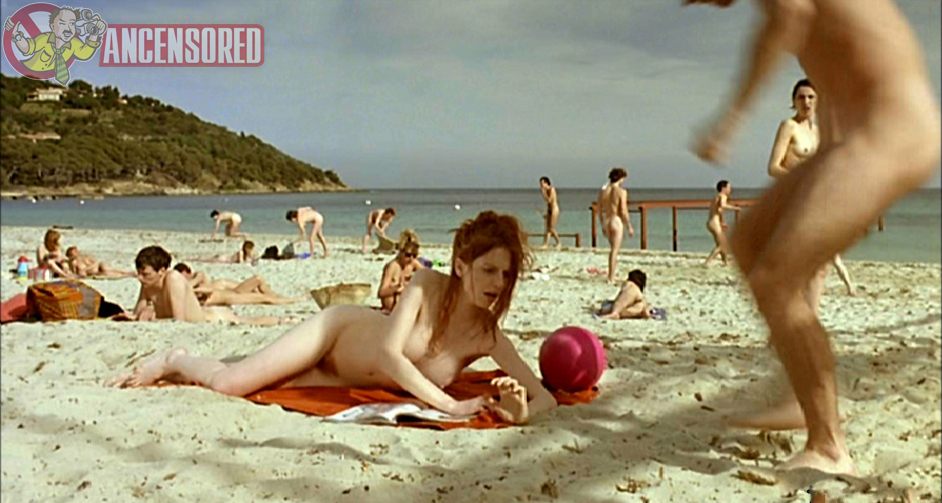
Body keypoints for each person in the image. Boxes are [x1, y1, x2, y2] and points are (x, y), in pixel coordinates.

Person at [686, 0, 940, 475]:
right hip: (858, 141)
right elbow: (842, 81)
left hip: (892, 132)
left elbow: (788, 17)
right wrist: (831, 184)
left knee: (776, 280)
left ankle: (828, 446)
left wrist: (729, 120)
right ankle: (798, 396)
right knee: (748, 240)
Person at [109, 211, 558, 424]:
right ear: (460, 265)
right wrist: (450, 405)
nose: (498, 282)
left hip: (342, 378)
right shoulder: (425, 284)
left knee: (253, 382)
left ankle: (187, 364)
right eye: (488, 269)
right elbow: (389, 354)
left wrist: (519, 415)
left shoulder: (487, 336)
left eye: (506, 273)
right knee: (230, 384)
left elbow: (547, 400)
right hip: (334, 333)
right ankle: (174, 358)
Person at [767, 79, 855, 298]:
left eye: (810, 97)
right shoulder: (789, 126)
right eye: (801, 97)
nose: (806, 102)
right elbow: (773, 167)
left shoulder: (818, 131)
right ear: (794, 101)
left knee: (821, 264)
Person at [129, 246, 284, 325]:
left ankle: (284, 320)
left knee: (248, 321)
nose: (140, 278)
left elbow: (178, 320)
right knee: (245, 319)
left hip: (211, 318)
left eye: (146, 274)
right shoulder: (148, 283)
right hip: (206, 313)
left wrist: (151, 318)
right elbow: (136, 314)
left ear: (162, 270)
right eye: (139, 273)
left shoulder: (173, 278)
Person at [173, 263, 301, 306]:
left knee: (261, 288)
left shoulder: (196, 279)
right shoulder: (192, 292)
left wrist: (189, 286)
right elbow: (207, 293)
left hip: (231, 293)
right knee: (265, 298)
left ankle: (283, 298)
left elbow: (201, 278)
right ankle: (292, 300)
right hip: (231, 296)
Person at [596, 167, 635, 283]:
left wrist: (602, 223)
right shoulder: (621, 192)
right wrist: (629, 225)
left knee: (612, 249)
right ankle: (611, 277)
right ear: (621, 178)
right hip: (616, 220)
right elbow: (623, 210)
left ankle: (611, 274)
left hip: (607, 220)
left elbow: (599, 209)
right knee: (614, 250)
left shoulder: (603, 191)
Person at [378, 238, 425, 313]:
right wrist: (396, 289)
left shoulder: (412, 263)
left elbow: (427, 274)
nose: (411, 258)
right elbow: (381, 292)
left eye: (414, 256)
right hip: (391, 308)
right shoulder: (393, 266)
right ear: (400, 252)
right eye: (407, 255)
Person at [704, 180, 741, 266]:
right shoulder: (723, 196)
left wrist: (722, 222)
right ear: (723, 188)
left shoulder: (716, 197)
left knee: (720, 244)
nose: (730, 189)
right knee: (722, 244)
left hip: (711, 222)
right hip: (714, 223)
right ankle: (707, 262)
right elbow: (723, 205)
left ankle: (725, 262)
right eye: (729, 187)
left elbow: (719, 211)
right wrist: (735, 208)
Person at [65, 246, 135, 278]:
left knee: (110, 270)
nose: (76, 253)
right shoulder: (73, 263)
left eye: (76, 251)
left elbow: (96, 262)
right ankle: (128, 274)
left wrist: (86, 269)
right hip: (96, 272)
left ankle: (128, 273)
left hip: (98, 266)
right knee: (108, 273)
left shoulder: (85, 257)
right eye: (74, 253)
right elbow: (75, 273)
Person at [539, 177, 561, 249]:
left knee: (552, 228)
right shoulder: (546, 191)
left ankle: (559, 242)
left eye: (542, 184)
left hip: (554, 210)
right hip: (549, 210)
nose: (541, 185)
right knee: (548, 228)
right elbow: (548, 203)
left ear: (546, 183)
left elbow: (549, 200)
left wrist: (543, 193)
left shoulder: (552, 189)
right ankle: (546, 244)